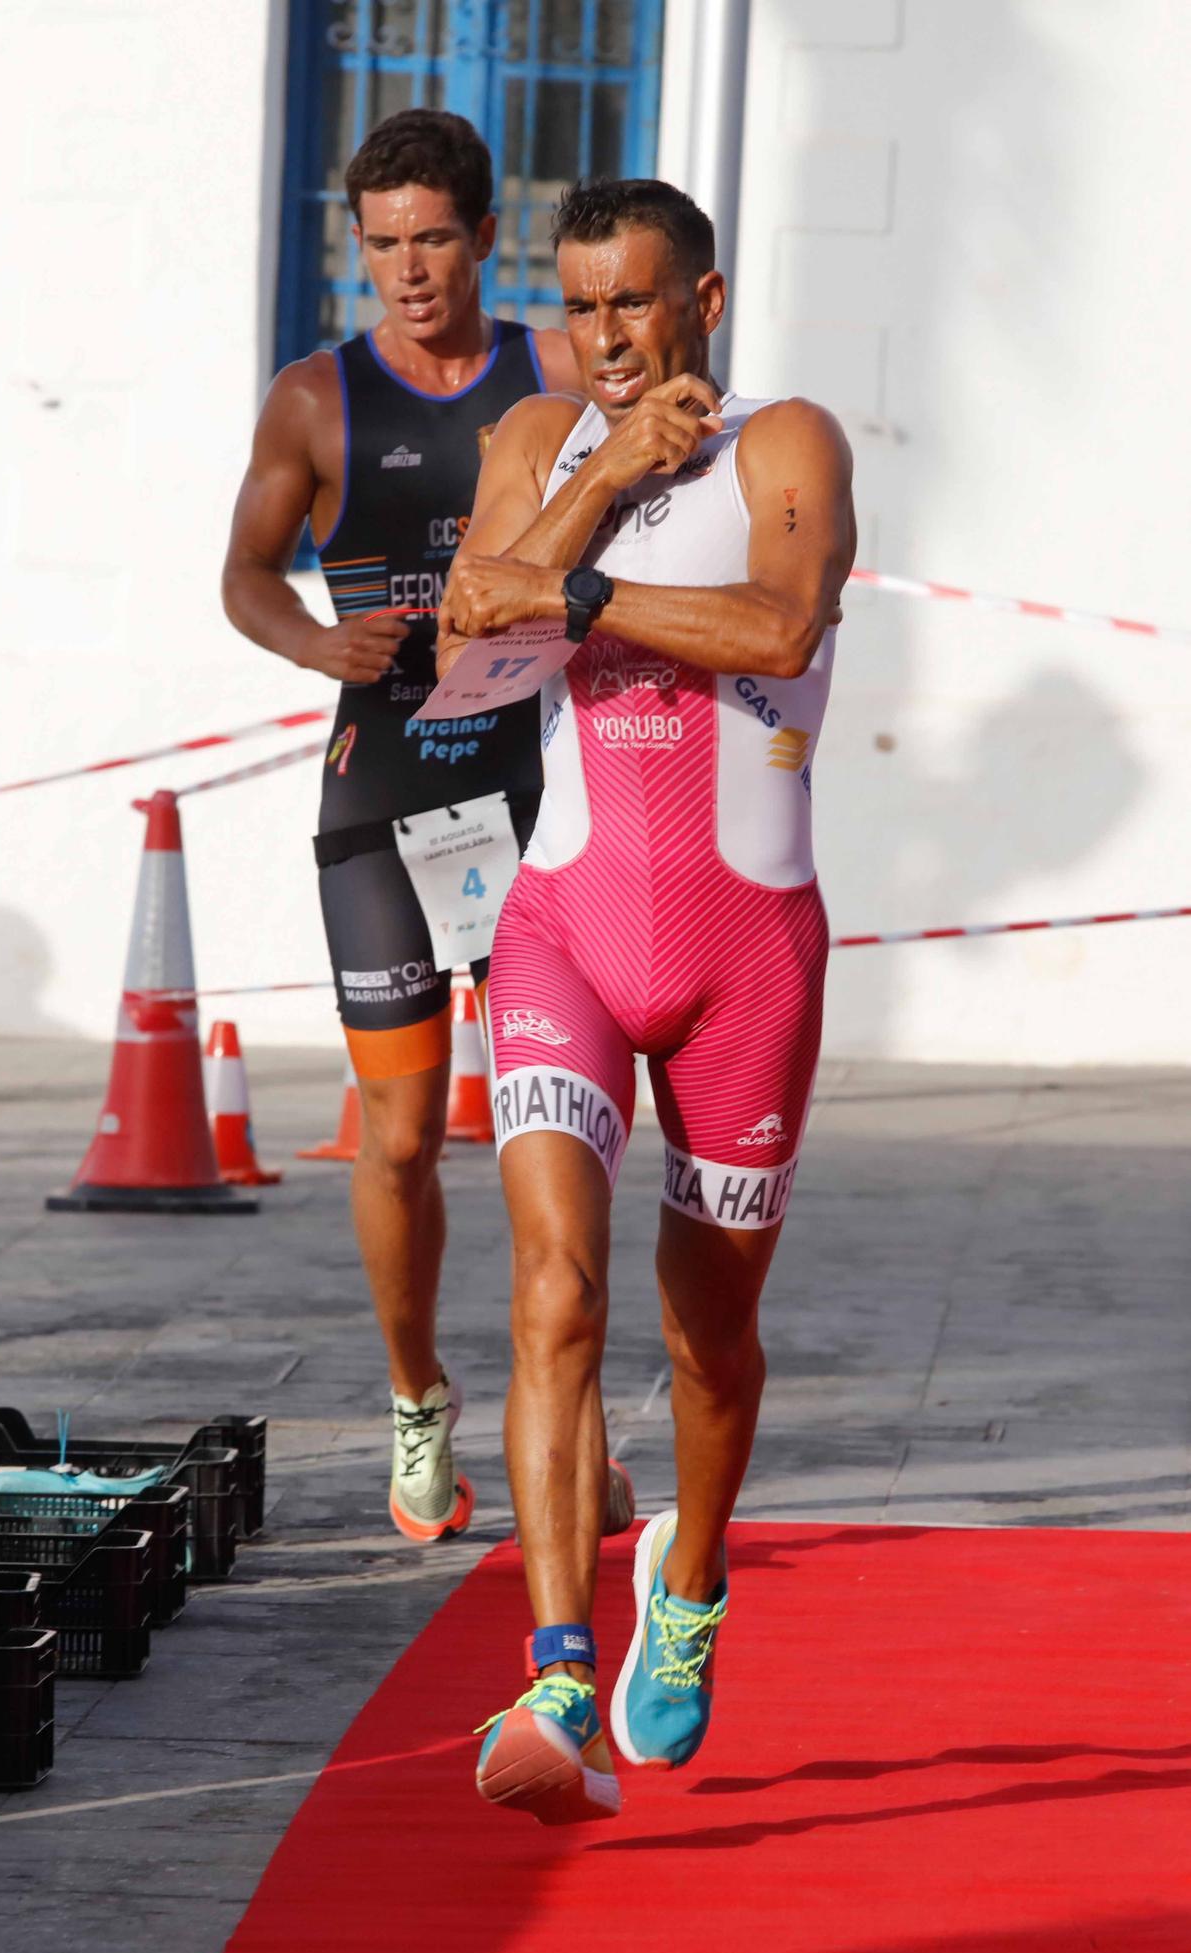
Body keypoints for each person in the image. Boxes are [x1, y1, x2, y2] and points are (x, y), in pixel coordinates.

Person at [438, 177, 855, 1822]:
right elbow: (471, 611)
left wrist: (582, 592)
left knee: (708, 1332)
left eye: (634, 304)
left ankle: (685, 1592)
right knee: (551, 1289)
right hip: (564, 929)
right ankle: (553, 1670)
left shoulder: (785, 440)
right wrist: (604, 479)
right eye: (577, 303)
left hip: (748, 953)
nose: (602, 337)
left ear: (705, 301)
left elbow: (776, 616)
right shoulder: (542, 436)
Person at [222, 110, 588, 1545]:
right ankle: (417, 1399)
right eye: (379, 245)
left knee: (551, 1133)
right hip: (380, 804)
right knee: (392, 1138)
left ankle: (554, 1430)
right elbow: (247, 577)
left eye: (433, 239)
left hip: (536, 797)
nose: (407, 272)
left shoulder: (551, 368)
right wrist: (318, 646)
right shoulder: (313, 399)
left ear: (487, 238)